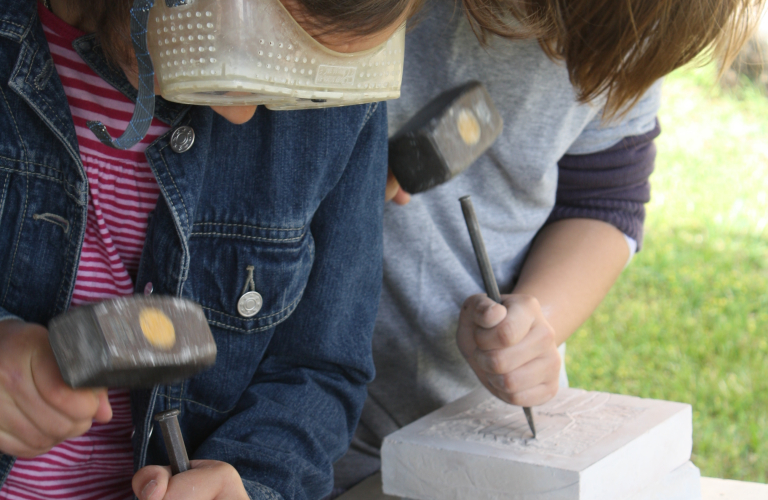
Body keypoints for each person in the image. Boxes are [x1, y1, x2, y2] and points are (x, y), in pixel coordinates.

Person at [332, 0, 765, 493]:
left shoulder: (632, 24)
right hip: (296, 422)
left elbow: (603, 198)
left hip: (478, 429)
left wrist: (536, 324)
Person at [0, 1, 421, 500]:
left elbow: (321, 368)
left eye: (299, 74)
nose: (243, 112)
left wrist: (251, 481)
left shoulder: (341, 98)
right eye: (248, 54)